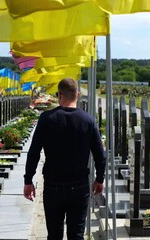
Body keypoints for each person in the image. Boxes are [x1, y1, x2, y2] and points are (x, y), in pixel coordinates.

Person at [23, 78, 106, 240]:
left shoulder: (46, 119)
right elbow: (99, 154)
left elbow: (34, 152)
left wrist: (28, 180)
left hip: (53, 185)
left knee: (54, 235)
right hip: (79, 186)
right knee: (76, 235)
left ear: (59, 94)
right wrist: (99, 179)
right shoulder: (88, 121)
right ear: (78, 95)